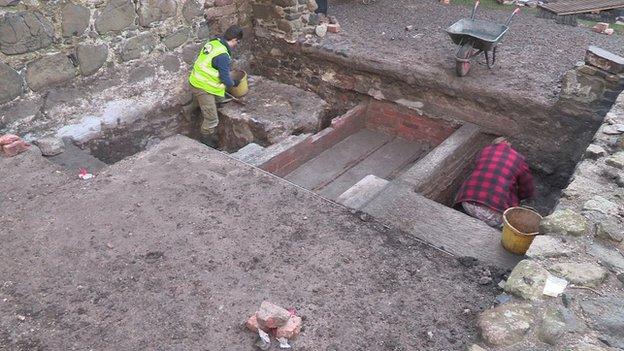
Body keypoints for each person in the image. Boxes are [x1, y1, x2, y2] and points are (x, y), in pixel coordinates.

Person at [454, 137, 534, 228]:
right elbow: (527, 189)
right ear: (508, 144)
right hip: (493, 215)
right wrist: (521, 198)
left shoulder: (484, 151)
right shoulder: (519, 159)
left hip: (467, 204)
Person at [188, 25, 243, 147]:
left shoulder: (214, 43)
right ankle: (206, 144)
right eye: (237, 42)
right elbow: (226, 80)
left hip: (197, 79)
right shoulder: (223, 55)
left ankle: (204, 110)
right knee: (212, 119)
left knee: (218, 100)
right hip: (202, 86)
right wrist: (235, 83)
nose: (236, 45)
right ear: (234, 39)